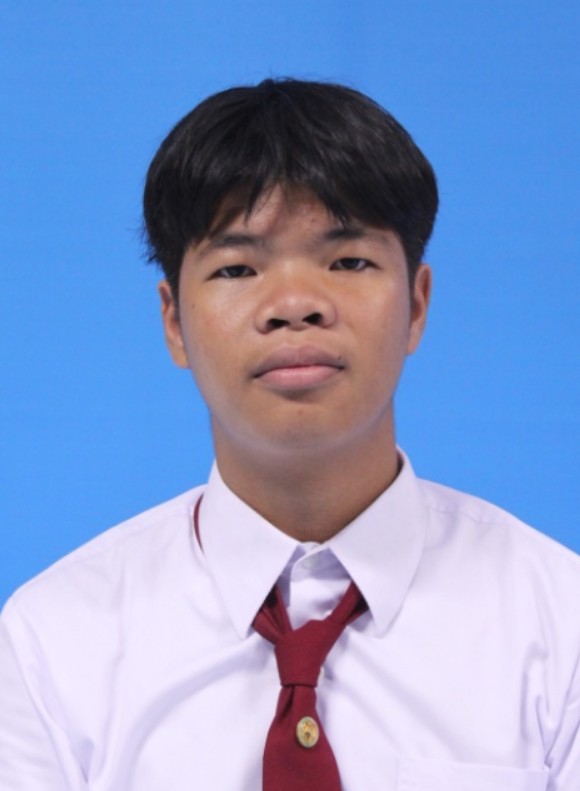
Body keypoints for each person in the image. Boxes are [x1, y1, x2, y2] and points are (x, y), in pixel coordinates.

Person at [1, 78, 579, 790]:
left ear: (417, 305)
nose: (295, 305)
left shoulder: (560, 624)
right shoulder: (52, 642)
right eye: (238, 268)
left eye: (348, 262)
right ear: (174, 321)